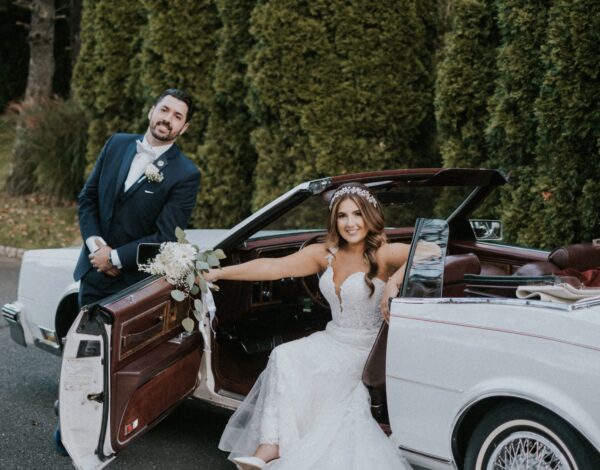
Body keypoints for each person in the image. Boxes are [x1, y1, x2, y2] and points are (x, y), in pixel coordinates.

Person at [204, 183, 412, 470]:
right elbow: (273, 267)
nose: (350, 223)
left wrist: (394, 282)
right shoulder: (325, 253)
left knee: (322, 372)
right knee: (284, 355)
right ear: (334, 220)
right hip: (333, 337)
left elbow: (431, 250)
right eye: (342, 216)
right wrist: (218, 273)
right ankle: (270, 446)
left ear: (370, 217)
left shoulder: (384, 253)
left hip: (365, 348)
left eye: (357, 214)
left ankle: (286, 444)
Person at [73, 88, 201, 307]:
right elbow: (88, 198)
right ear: (151, 112)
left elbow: (165, 237)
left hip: (134, 286)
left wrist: (114, 258)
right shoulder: (116, 144)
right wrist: (97, 248)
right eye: (164, 110)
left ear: (184, 127)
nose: (167, 119)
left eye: (177, 116)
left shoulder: (186, 174)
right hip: (93, 274)